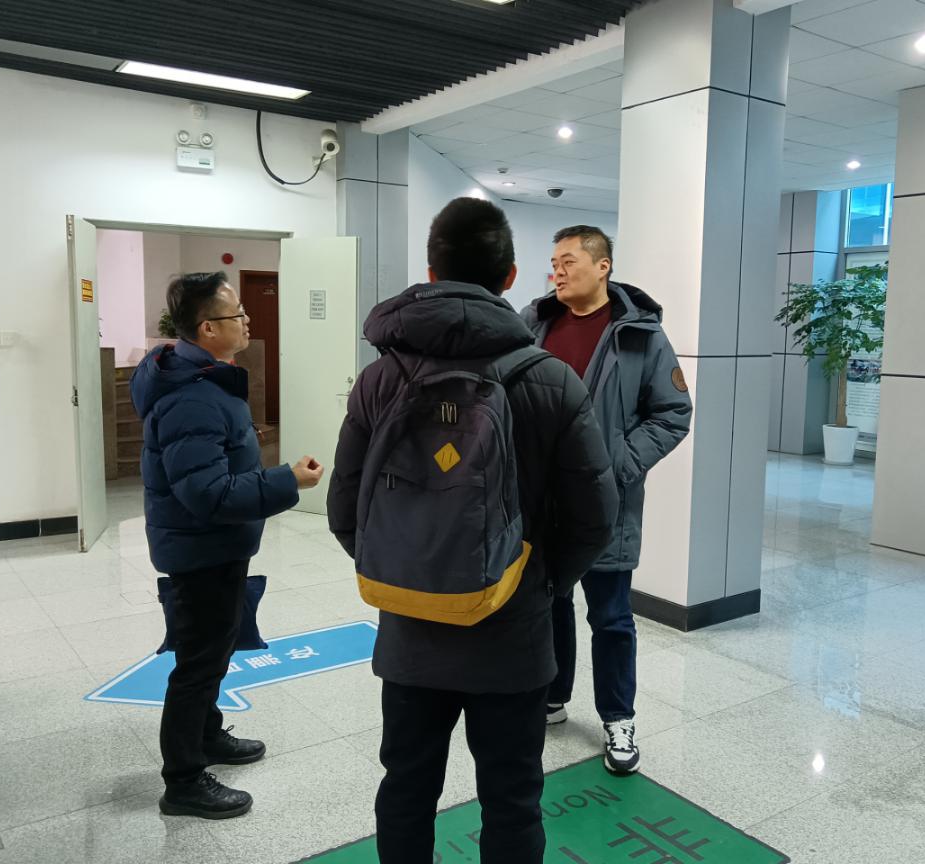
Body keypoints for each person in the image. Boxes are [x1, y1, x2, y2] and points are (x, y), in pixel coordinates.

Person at [327, 198, 618, 863]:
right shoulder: (552, 380)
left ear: (431, 271)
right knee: (512, 797)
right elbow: (593, 518)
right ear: (510, 276)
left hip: (411, 632)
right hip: (513, 636)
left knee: (406, 785)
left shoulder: (378, 380)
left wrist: (409, 563)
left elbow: (347, 510)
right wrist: (538, 583)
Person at [130, 271, 324, 819]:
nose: (247, 320)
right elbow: (207, 494)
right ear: (208, 328)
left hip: (214, 547)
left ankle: (207, 736)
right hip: (201, 550)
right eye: (237, 313)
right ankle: (183, 781)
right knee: (197, 665)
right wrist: (287, 480)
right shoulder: (191, 398)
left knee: (213, 652)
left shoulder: (204, 380)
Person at [523, 226, 692, 775]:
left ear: (603, 266)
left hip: (604, 503)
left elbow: (673, 413)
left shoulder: (640, 335)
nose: (557, 271)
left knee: (612, 616)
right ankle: (552, 696)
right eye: (554, 262)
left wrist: (617, 466)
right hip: (542, 501)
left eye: (569, 261)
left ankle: (618, 718)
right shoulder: (533, 325)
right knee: (548, 604)